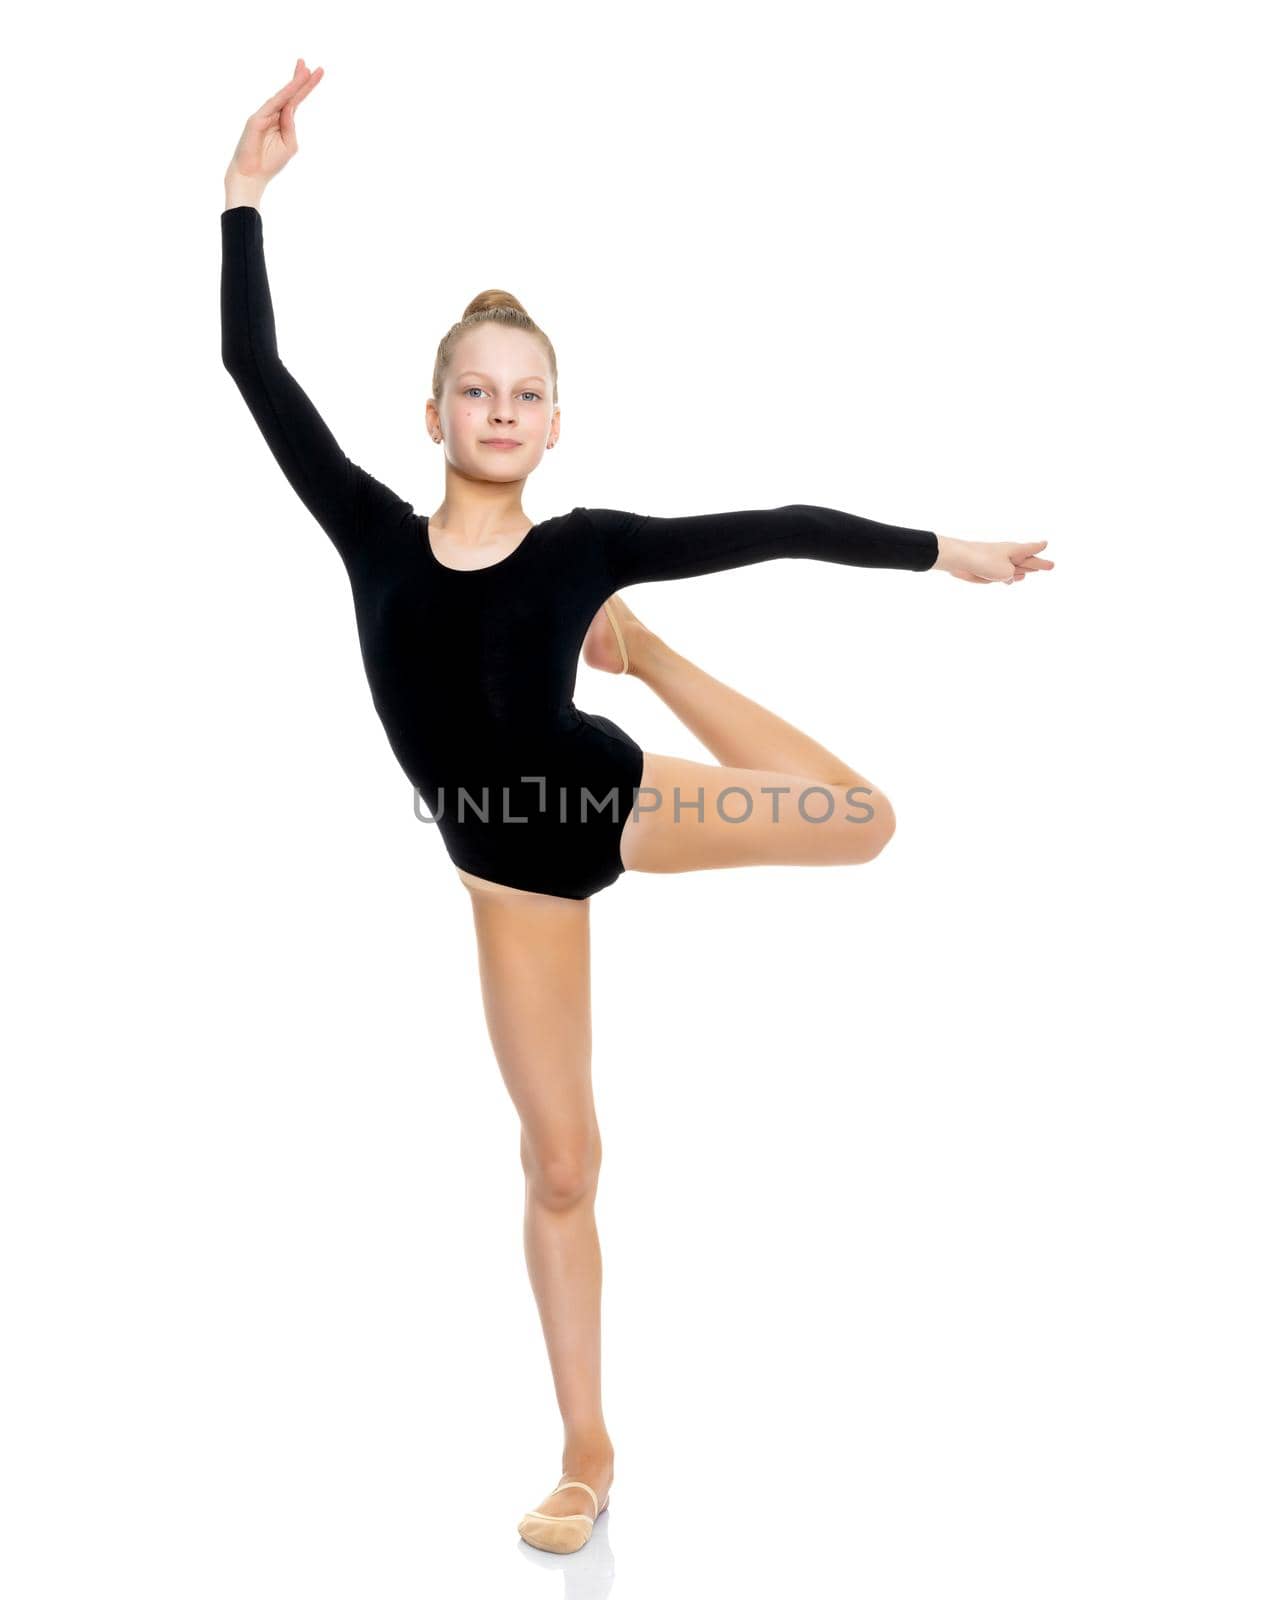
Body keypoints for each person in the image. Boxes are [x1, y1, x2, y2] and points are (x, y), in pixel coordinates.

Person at [220, 60, 1054, 1556]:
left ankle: (653, 653)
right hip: (512, 876)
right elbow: (254, 378)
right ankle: (588, 1449)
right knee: (562, 1162)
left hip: (600, 799)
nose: (500, 408)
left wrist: (944, 552)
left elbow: (780, 523)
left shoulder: (582, 541)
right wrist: (243, 199)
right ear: (432, 412)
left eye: (526, 394)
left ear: (555, 426)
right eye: (475, 388)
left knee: (862, 819)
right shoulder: (373, 535)